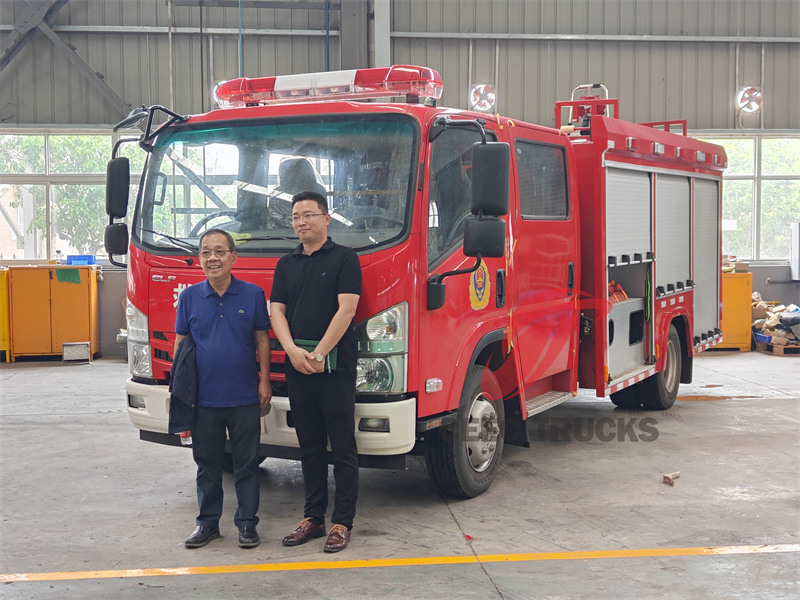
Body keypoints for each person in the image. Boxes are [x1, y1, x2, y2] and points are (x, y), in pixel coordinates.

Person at [270, 190, 362, 553]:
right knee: (308, 446)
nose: (301, 222)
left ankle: (342, 522)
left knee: (342, 447)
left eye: (308, 214)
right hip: (297, 366)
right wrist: (292, 350)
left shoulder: (344, 259)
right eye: (295, 216)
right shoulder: (286, 264)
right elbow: (276, 310)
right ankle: (313, 518)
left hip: (334, 368)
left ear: (326, 218)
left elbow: (347, 309)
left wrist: (320, 352)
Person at [174, 229, 272, 549]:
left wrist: (265, 380)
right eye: (205, 252)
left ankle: (246, 524)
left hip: (244, 396)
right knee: (207, 465)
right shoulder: (189, 298)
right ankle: (207, 524)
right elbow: (180, 346)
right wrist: (178, 393)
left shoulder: (253, 295)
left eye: (219, 251)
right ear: (199, 259)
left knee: (246, 465)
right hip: (203, 400)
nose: (212, 258)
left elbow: (261, 340)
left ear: (233, 257)